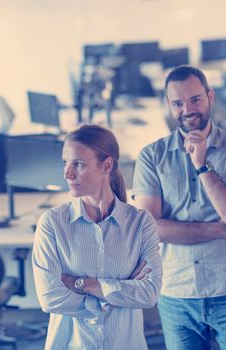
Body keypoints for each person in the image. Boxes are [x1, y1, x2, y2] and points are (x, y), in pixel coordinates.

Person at [132, 65, 226, 349]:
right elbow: (150, 227)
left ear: (210, 97)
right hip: (176, 292)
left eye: (195, 100)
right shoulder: (151, 156)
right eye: (178, 103)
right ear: (168, 105)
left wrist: (202, 165)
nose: (187, 109)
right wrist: (220, 229)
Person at [32, 124, 162, 350]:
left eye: (78, 164)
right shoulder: (52, 223)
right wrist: (117, 294)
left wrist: (82, 284)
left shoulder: (140, 224)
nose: (67, 173)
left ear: (107, 165)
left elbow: (149, 294)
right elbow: (50, 297)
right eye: (65, 163)